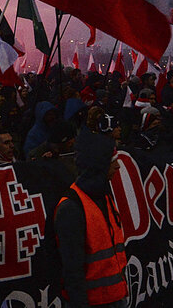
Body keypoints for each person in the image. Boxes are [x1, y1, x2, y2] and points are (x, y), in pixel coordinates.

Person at [54, 130, 128, 308]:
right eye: (112, 161)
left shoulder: (104, 196)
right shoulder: (71, 208)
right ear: (98, 166)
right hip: (94, 303)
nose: (118, 166)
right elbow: (73, 271)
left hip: (116, 297)